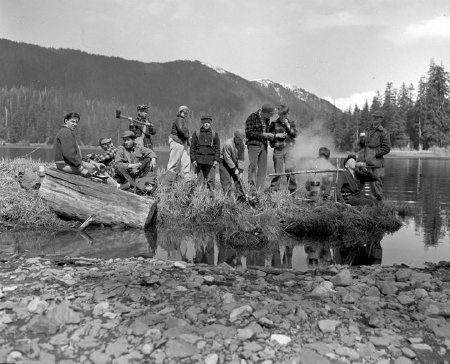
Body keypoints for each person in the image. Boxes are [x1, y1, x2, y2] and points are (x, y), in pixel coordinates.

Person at [359, 110, 391, 201]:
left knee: (376, 185)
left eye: (377, 117)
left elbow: (387, 148)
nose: (374, 119)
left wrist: (374, 154)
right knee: (360, 183)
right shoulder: (366, 130)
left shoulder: (383, 132)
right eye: (373, 117)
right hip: (364, 162)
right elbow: (361, 145)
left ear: (381, 119)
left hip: (377, 164)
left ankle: (379, 207)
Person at [54, 112, 95, 177]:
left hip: (69, 163)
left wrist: (89, 160)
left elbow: (76, 152)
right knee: (92, 170)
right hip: (64, 165)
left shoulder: (67, 131)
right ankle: (115, 186)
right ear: (66, 121)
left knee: (94, 166)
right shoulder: (66, 132)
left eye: (76, 122)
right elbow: (69, 153)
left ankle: (115, 185)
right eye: (72, 122)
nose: (75, 124)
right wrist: (80, 168)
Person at [268, 105, 298, 194]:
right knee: (278, 171)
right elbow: (270, 138)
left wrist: (288, 125)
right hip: (278, 150)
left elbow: (295, 135)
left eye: (284, 114)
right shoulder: (273, 123)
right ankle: (274, 191)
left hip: (289, 150)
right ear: (279, 114)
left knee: (290, 170)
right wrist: (277, 136)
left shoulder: (291, 123)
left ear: (287, 114)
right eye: (281, 114)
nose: (283, 116)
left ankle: (293, 191)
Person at [245, 103, 275, 191]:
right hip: (254, 145)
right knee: (253, 166)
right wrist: (264, 135)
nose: (271, 116)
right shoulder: (252, 117)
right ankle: (252, 189)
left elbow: (267, 131)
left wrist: (271, 136)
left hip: (264, 145)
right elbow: (249, 133)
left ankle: (260, 189)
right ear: (265, 112)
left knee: (263, 168)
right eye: (270, 114)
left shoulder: (267, 119)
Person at [190, 115, 220, 191]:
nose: (206, 124)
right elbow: (192, 148)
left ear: (210, 123)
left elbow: (217, 148)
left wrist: (216, 160)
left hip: (211, 162)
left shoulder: (214, 134)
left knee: (211, 181)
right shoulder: (196, 133)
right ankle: (199, 198)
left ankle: (211, 198)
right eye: (205, 122)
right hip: (199, 161)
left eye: (208, 122)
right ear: (202, 123)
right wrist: (193, 160)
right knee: (200, 181)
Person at [219, 129, 246, 200]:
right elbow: (227, 158)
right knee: (227, 182)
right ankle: (228, 199)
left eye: (242, 140)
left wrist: (240, 170)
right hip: (224, 163)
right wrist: (234, 169)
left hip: (234, 162)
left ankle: (241, 198)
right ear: (236, 137)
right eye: (240, 139)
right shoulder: (227, 144)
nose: (241, 141)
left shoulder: (242, 145)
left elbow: (241, 158)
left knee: (239, 180)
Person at [167, 105, 191, 178]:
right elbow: (181, 130)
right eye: (184, 111)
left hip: (182, 142)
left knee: (186, 161)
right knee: (174, 161)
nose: (185, 113)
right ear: (180, 112)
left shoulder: (182, 120)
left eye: (187, 112)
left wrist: (187, 139)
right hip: (177, 141)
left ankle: (185, 178)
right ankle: (169, 178)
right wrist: (188, 137)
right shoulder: (179, 119)